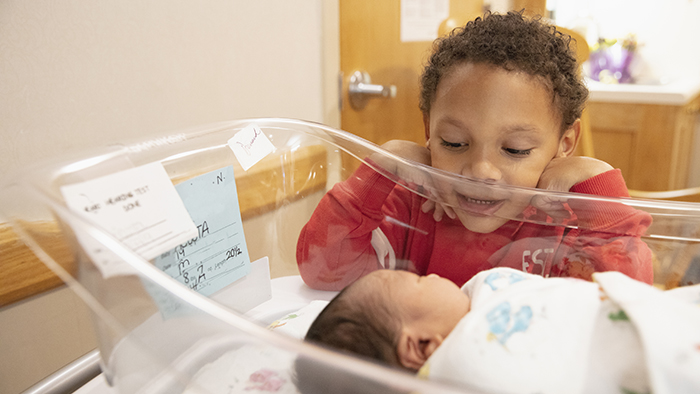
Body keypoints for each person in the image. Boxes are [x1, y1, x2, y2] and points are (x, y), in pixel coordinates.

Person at [296, 11, 653, 291]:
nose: (481, 170)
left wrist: (599, 192)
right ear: (428, 132)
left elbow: (623, 305)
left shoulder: (568, 223)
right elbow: (321, 268)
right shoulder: (413, 207)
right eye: (453, 143)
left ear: (565, 143)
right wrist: (381, 167)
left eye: (515, 149)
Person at [302, 268, 700, 394]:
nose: (435, 274)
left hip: (648, 312)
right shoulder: (462, 367)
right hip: (661, 356)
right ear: (421, 345)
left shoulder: (481, 296)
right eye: (421, 280)